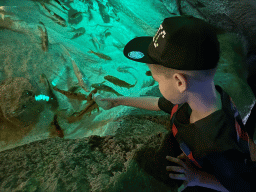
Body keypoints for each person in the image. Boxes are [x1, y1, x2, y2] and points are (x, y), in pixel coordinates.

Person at [93, 16, 256, 191]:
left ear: (179, 82)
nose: (157, 85)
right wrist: (117, 101)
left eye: (156, 80)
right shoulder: (204, 97)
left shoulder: (216, 144)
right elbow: (158, 103)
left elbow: (241, 187)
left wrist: (197, 177)